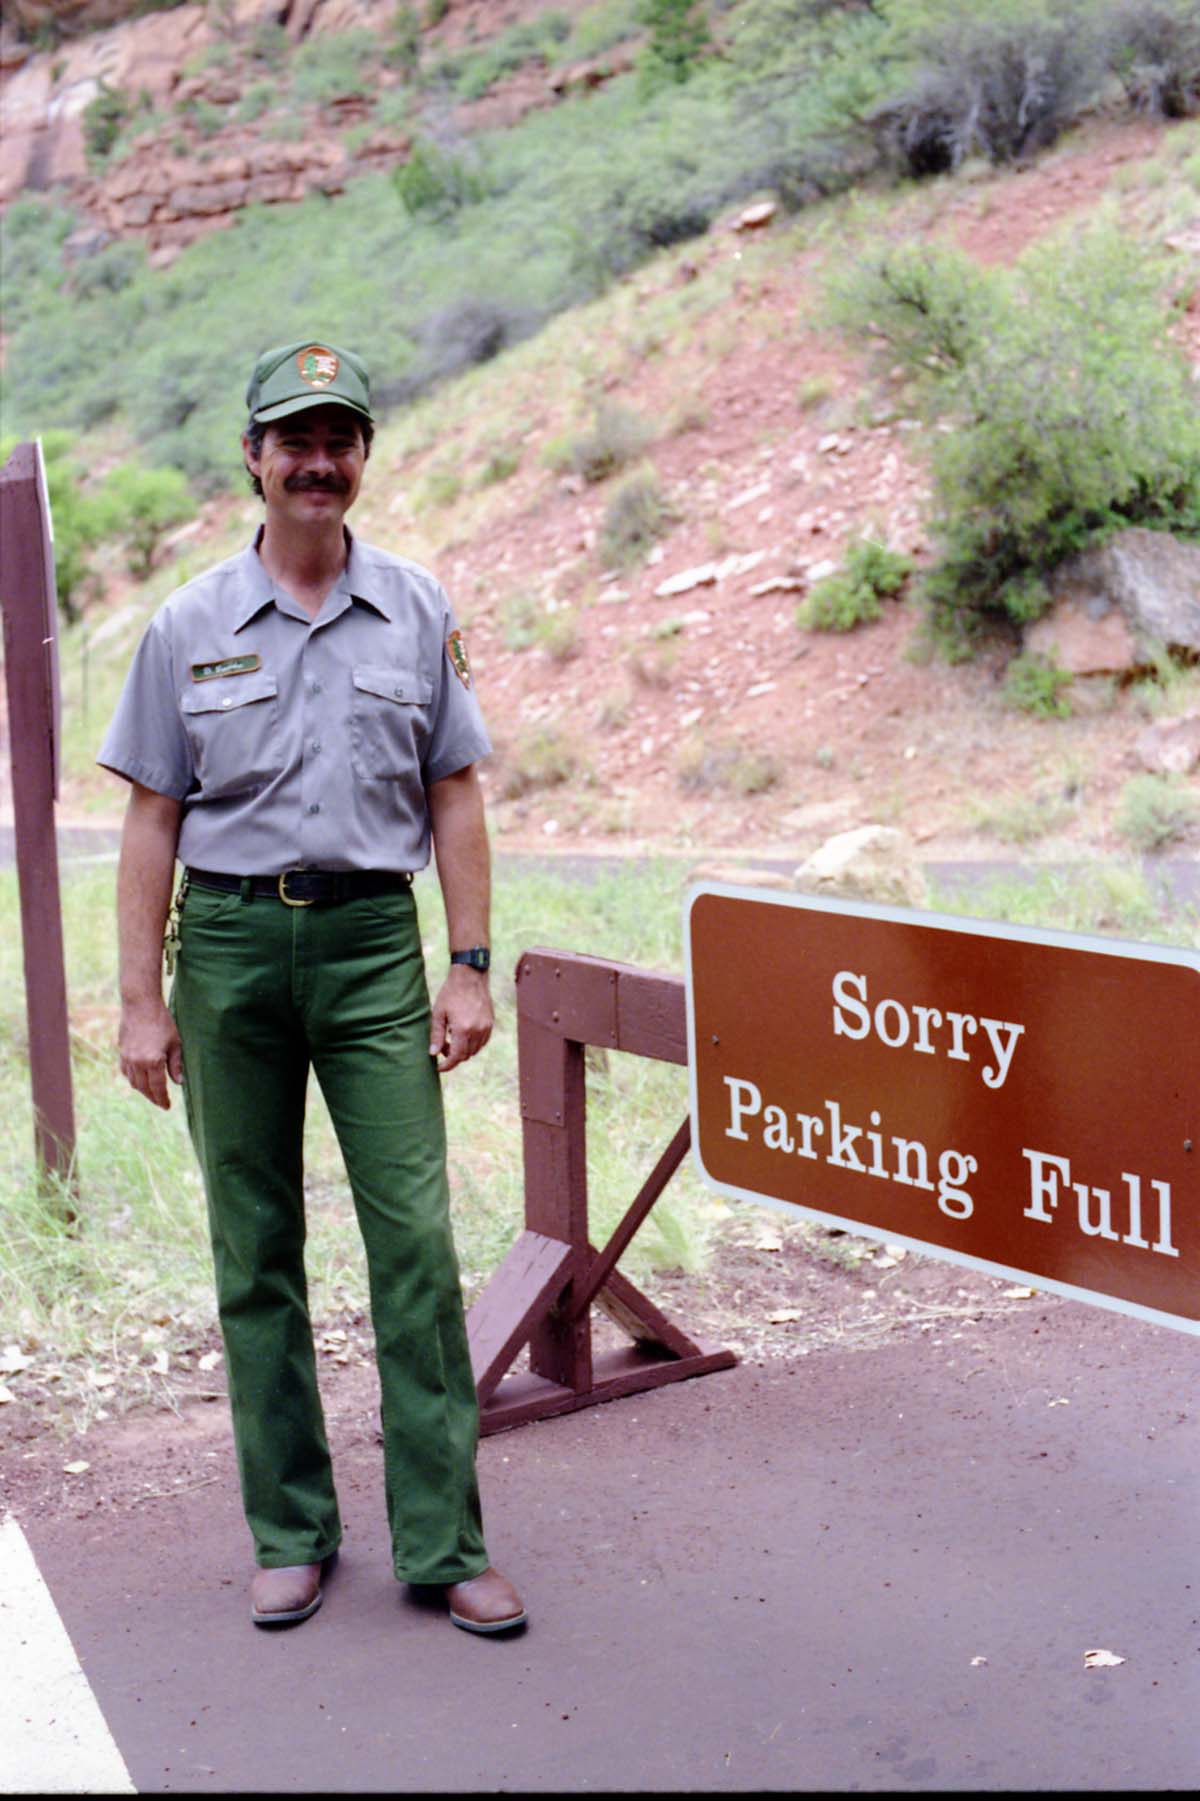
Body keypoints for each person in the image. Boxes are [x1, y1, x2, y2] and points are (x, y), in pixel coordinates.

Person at [98, 339, 524, 1636]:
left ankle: (444, 1541)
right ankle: (290, 1528)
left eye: (339, 440)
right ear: (254, 456)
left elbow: (454, 791)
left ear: (361, 458)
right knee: (256, 1250)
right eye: (295, 439)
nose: (318, 462)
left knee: (414, 1242)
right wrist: (139, 1000)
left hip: (367, 949)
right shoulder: (186, 626)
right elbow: (149, 822)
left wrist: (466, 963)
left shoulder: (414, 606)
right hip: (226, 954)